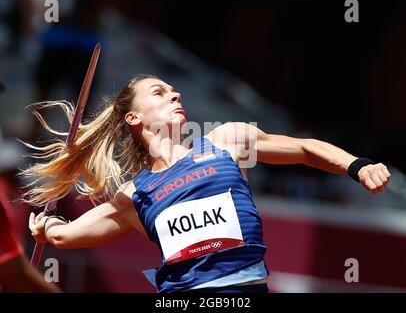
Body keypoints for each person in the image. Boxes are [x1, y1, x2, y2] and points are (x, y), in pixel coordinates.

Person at [25, 75, 391, 293]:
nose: (175, 94)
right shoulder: (135, 194)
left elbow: (305, 149)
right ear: (134, 117)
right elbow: (64, 236)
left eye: (174, 90)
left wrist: (356, 165)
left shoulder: (225, 142)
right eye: (159, 92)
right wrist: (46, 226)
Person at [0, 129, 59, 293]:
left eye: (16, 171)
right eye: (11, 170)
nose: (15, 175)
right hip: (9, 257)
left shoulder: (21, 193)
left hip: (18, 252)